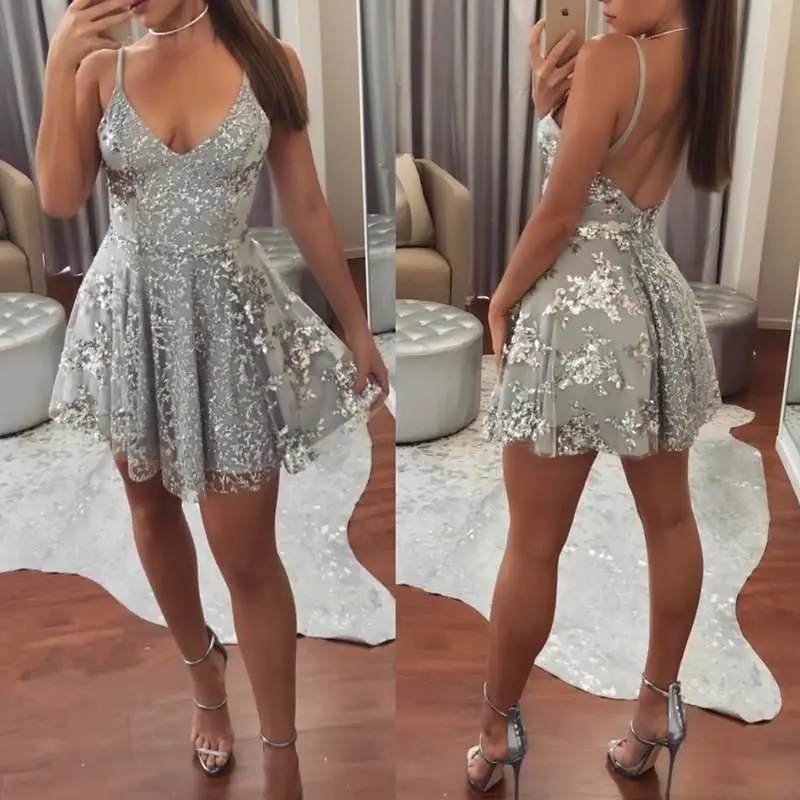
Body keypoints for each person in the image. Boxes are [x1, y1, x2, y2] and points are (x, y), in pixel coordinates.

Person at [36, 2, 389, 799]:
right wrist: (60, 62)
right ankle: (204, 677)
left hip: (227, 326)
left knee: (247, 554)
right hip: (133, 320)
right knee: (151, 506)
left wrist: (358, 324)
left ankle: (284, 755)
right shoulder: (99, 70)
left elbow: (305, 202)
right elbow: (59, 198)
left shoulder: (272, 64)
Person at [466, 1, 738, 798]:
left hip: (577, 313)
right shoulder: (701, 59)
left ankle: (496, 730)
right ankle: (655, 712)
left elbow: (561, 212)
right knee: (672, 522)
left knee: (532, 544)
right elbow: (615, 173)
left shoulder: (614, 57)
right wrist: (553, 107)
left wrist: (501, 298)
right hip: (652, 303)